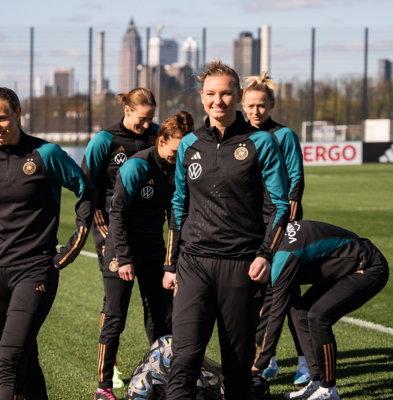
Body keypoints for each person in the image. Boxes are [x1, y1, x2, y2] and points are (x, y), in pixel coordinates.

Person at [0, 87, 96, 400]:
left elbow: (86, 190)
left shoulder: (46, 154)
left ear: (17, 114)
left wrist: (75, 242)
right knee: (25, 358)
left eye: (1, 118)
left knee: (9, 361)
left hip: (35, 271)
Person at [163, 60, 290, 400]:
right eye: (209, 94)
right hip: (194, 265)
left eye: (224, 94)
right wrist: (170, 264)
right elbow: (178, 206)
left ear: (237, 96)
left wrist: (265, 254)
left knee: (237, 370)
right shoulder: (189, 144)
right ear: (201, 96)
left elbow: (280, 206)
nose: (217, 101)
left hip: (241, 266)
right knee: (184, 360)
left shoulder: (260, 142)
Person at [94, 111, 194, 400]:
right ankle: (103, 387)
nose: (179, 157)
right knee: (115, 317)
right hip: (121, 248)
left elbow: (175, 217)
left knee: (162, 317)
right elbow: (117, 213)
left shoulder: (176, 169)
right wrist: (124, 258)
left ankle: (164, 378)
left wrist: (170, 263)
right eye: (175, 151)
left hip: (152, 248)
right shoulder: (138, 166)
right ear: (161, 141)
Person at [253, 220, 389, 400]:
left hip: (368, 267)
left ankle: (328, 389)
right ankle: (316, 382)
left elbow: (276, 313)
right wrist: (252, 348)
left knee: (318, 316)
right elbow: (268, 307)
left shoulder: (283, 255)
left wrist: (258, 365)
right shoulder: (274, 239)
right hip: (345, 269)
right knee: (299, 312)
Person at [82, 88, 159, 389]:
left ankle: (160, 363)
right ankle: (109, 368)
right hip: (110, 228)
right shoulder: (106, 140)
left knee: (155, 302)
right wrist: (100, 234)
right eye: (143, 118)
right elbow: (86, 185)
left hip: (148, 229)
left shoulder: (156, 135)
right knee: (116, 300)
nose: (147, 124)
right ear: (127, 111)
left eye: (152, 118)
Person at [242, 71, 309, 384]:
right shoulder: (240, 136)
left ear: (271, 105)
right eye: (250, 105)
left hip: (281, 226)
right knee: (257, 296)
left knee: (288, 294)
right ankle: (264, 360)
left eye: (261, 105)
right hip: (251, 226)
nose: (256, 111)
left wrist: (286, 225)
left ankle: (305, 360)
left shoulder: (284, 136)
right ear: (242, 105)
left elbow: (295, 182)